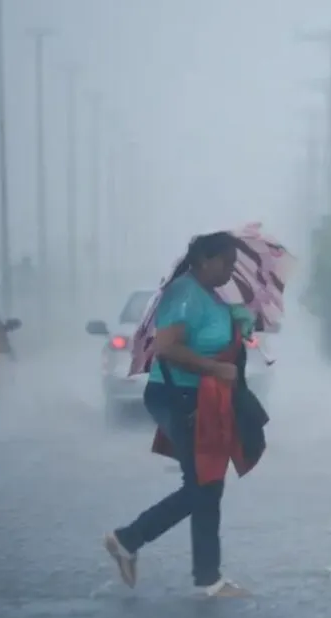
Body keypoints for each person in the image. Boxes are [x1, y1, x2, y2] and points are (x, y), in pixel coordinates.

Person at [104, 231, 251, 598]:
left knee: (207, 483)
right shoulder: (184, 294)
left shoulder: (209, 296)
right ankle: (128, 539)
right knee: (203, 484)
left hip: (200, 397)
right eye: (226, 262)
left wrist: (240, 321)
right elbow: (167, 348)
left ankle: (207, 577)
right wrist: (215, 370)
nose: (231, 271)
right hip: (179, 397)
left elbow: (212, 338)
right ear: (204, 259)